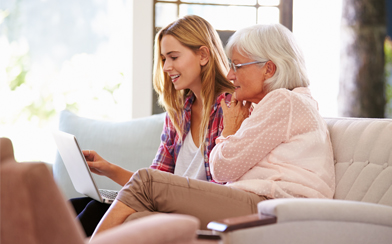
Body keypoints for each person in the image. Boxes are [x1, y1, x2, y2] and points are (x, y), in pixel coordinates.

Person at [90, 23, 335, 238]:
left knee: (145, 182)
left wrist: (229, 130)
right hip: (262, 206)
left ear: (269, 69)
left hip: (274, 209)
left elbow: (221, 169)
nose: (230, 74)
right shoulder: (271, 106)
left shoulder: (284, 101)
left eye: (237, 66)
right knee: (135, 219)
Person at [71, 15, 235, 237]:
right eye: (163, 58)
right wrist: (108, 169)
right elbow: (154, 182)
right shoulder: (178, 115)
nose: (166, 67)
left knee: (94, 211)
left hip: (201, 210)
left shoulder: (231, 107)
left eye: (173, 57)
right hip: (170, 203)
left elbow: (226, 189)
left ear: (204, 55)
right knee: (77, 205)